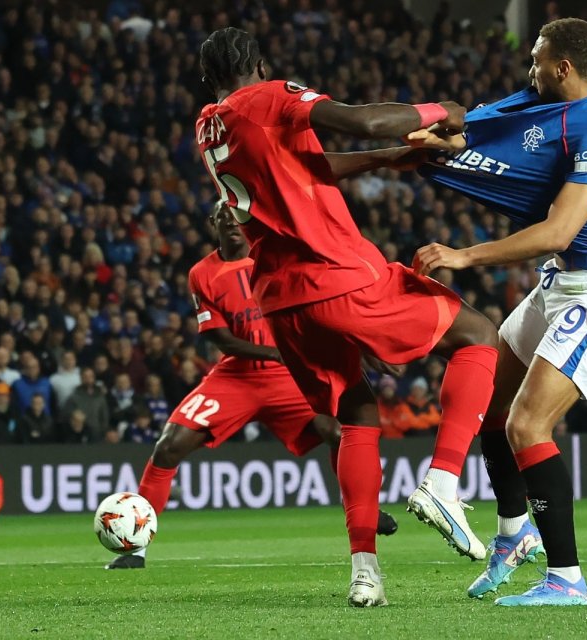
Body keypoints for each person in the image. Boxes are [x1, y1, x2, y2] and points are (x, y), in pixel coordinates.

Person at [196, 28, 501, 606]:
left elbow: (307, 166)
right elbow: (362, 119)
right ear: (260, 65)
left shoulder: (211, 124)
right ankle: (442, 480)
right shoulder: (267, 96)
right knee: (478, 335)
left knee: (356, 411)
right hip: (336, 275)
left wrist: (389, 160)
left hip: (282, 302)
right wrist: (443, 109)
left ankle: (365, 573)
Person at [410, 18, 587, 605]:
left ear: (563, 67)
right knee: (493, 401)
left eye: (538, 59)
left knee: (527, 425)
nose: (530, 68)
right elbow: (491, 132)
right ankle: (514, 536)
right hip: (561, 282)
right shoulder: (549, 107)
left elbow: (559, 230)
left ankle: (567, 579)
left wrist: (462, 256)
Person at [109, 203, 399, 570]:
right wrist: (278, 352)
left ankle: (364, 512)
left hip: (290, 376)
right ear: (212, 223)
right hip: (237, 376)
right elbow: (223, 340)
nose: (232, 224)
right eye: (224, 218)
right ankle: (135, 549)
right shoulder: (203, 273)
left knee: (341, 433)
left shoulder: (278, 258)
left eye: (237, 218)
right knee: (168, 447)